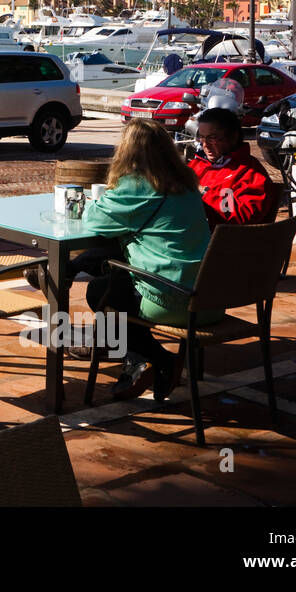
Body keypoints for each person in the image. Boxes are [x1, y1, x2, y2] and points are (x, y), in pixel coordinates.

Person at [82, 118, 213, 402]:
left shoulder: (137, 186)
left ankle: (155, 359)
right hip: (212, 298)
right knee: (114, 271)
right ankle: (136, 359)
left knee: (99, 290)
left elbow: (92, 221)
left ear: (126, 152)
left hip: (175, 302)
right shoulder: (187, 183)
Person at [187, 107, 275, 229]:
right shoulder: (196, 165)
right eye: (202, 137)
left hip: (220, 242)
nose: (205, 145)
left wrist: (203, 191)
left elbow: (245, 216)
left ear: (233, 137)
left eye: (212, 138)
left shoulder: (250, 172)